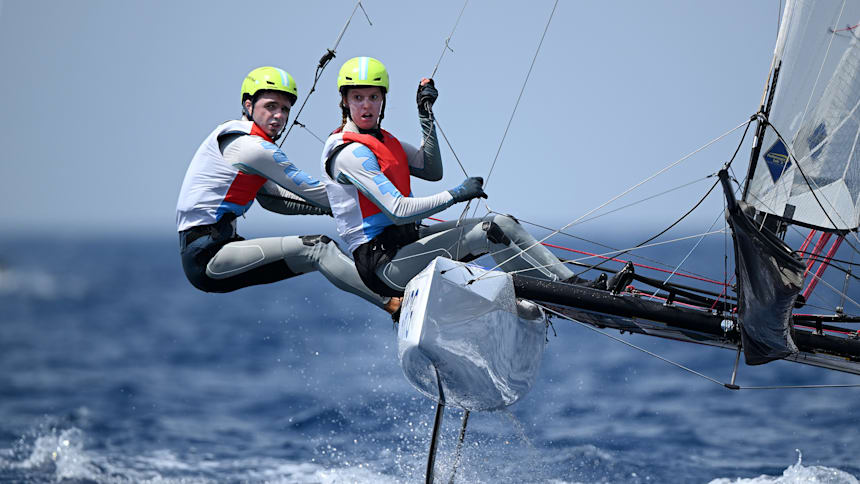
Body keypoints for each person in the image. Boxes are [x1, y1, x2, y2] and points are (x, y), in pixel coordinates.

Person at [320, 57, 579, 303]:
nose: (366, 105)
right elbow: (398, 211)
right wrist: (456, 194)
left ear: (383, 100)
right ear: (344, 100)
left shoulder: (384, 141)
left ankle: (575, 287)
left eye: (373, 97)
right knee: (489, 233)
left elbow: (431, 169)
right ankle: (556, 297)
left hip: (407, 243)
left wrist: (425, 115)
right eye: (357, 97)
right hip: (384, 265)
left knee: (503, 223)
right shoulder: (350, 153)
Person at [176, 66, 399, 314]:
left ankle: (396, 295)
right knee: (318, 248)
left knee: (315, 254)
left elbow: (274, 200)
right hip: (207, 257)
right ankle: (394, 304)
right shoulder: (252, 148)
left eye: (285, 109)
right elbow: (312, 191)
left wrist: (334, 210)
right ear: (248, 106)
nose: (279, 116)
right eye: (270, 106)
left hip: (217, 251)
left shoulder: (243, 141)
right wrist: (383, 205)